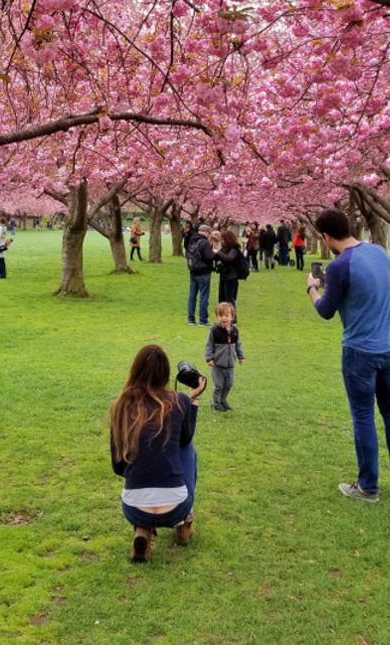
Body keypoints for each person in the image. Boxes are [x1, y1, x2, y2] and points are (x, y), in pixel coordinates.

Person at [306, 208, 390, 502]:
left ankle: (368, 486)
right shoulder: (378, 253)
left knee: (363, 415)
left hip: (360, 353)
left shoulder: (340, 266)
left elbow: (326, 310)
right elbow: (366, 289)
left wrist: (313, 290)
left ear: (326, 236)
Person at [109, 344, 205, 563]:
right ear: (166, 373)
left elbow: (117, 466)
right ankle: (184, 522)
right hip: (176, 507)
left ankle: (142, 528)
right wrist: (194, 400)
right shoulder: (179, 401)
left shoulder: (121, 406)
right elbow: (185, 439)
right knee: (187, 448)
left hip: (134, 507)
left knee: (158, 460)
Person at [204, 302, 244, 412]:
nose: (223, 318)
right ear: (217, 317)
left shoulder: (235, 331)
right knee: (219, 385)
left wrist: (241, 356)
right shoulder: (214, 331)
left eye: (226, 315)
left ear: (232, 317)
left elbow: (238, 344)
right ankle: (216, 403)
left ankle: (223, 400)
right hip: (218, 365)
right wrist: (209, 358)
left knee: (229, 384)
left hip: (230, 365)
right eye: (220, 316)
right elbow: (209, 345)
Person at [185, 224, 215, 326]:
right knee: (204, 296)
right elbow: (209, 256)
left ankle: (191, 319)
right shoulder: (204, 242)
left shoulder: (191, 240)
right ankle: (203, 319)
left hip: (193, 271)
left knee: (192, 296)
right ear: (207, 232)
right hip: (204, 271)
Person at [212, 228, 245, 308]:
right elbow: (218, 257)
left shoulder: (234, 249)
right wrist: (215, 246)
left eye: (223, 239)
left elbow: (228, 259)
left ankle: (232, 318)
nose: (222, 241)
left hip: (231, 276)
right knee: (221, 298)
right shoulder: (224, 249)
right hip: (224, 275)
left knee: (229, 299)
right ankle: (223, 317)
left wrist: (218, 252)